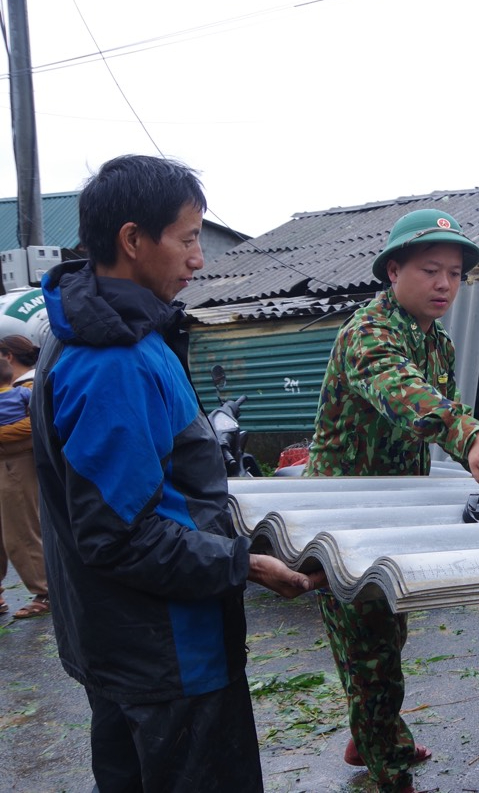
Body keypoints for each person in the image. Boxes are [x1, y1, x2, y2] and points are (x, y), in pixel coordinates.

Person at [31, 154, 322, 793]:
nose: (198, 258)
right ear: (133, 240)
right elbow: (121, 535)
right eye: (188, 238)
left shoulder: (103, 326)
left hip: (120, 650)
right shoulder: (112, 362)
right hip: (166, 659)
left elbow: (165, 492)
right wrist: (243, 563)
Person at [305, 208, 479, 793]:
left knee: (389, 632)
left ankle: (371, 731)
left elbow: (442, 409)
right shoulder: (368, 334)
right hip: (345, 518)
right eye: (431, 270)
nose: (445, 285)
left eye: (455, 274)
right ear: (393, 270)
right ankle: (388, 768)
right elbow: (399, 389)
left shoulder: (438, 343)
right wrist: (469, 433)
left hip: (397, 509)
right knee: (370, 647)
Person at [0, 334, 49, 619]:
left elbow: (34, 425)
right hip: (7, 464)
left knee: (22, 531)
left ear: (8, 356)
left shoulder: (27, 387)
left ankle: (45, 592)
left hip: (16, 466)